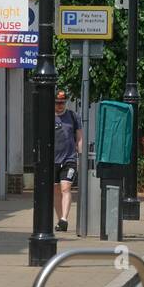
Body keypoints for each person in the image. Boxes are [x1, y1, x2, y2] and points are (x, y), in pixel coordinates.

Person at [52, 89, 82, 232]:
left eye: (62, 103)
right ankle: (60, 221)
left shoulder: (72, 116)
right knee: (56, 190)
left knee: (66, 188)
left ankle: (64, 218)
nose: (60, 105)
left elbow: (79, 137)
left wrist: (80, 156)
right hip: (52, 160)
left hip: (69, 158)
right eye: (57, 102)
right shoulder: (48, 117)